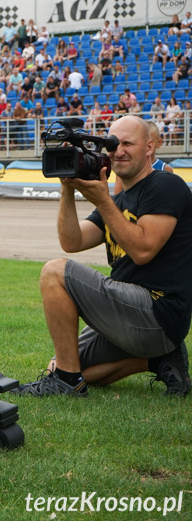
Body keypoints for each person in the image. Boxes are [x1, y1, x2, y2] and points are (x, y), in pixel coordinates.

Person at [16, 115, 192, 397]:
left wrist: (102, 200)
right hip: (129, 316)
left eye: (127, 144)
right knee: (61, 364)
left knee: (54, 272)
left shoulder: (166, 185)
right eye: (112, 144)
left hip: (158, 310)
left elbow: (143, 250)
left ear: (149, 148)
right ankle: (155, 360)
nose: (118, 151)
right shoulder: (117, 201)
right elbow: (72, 241)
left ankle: (67, 384)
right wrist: (67, 188)